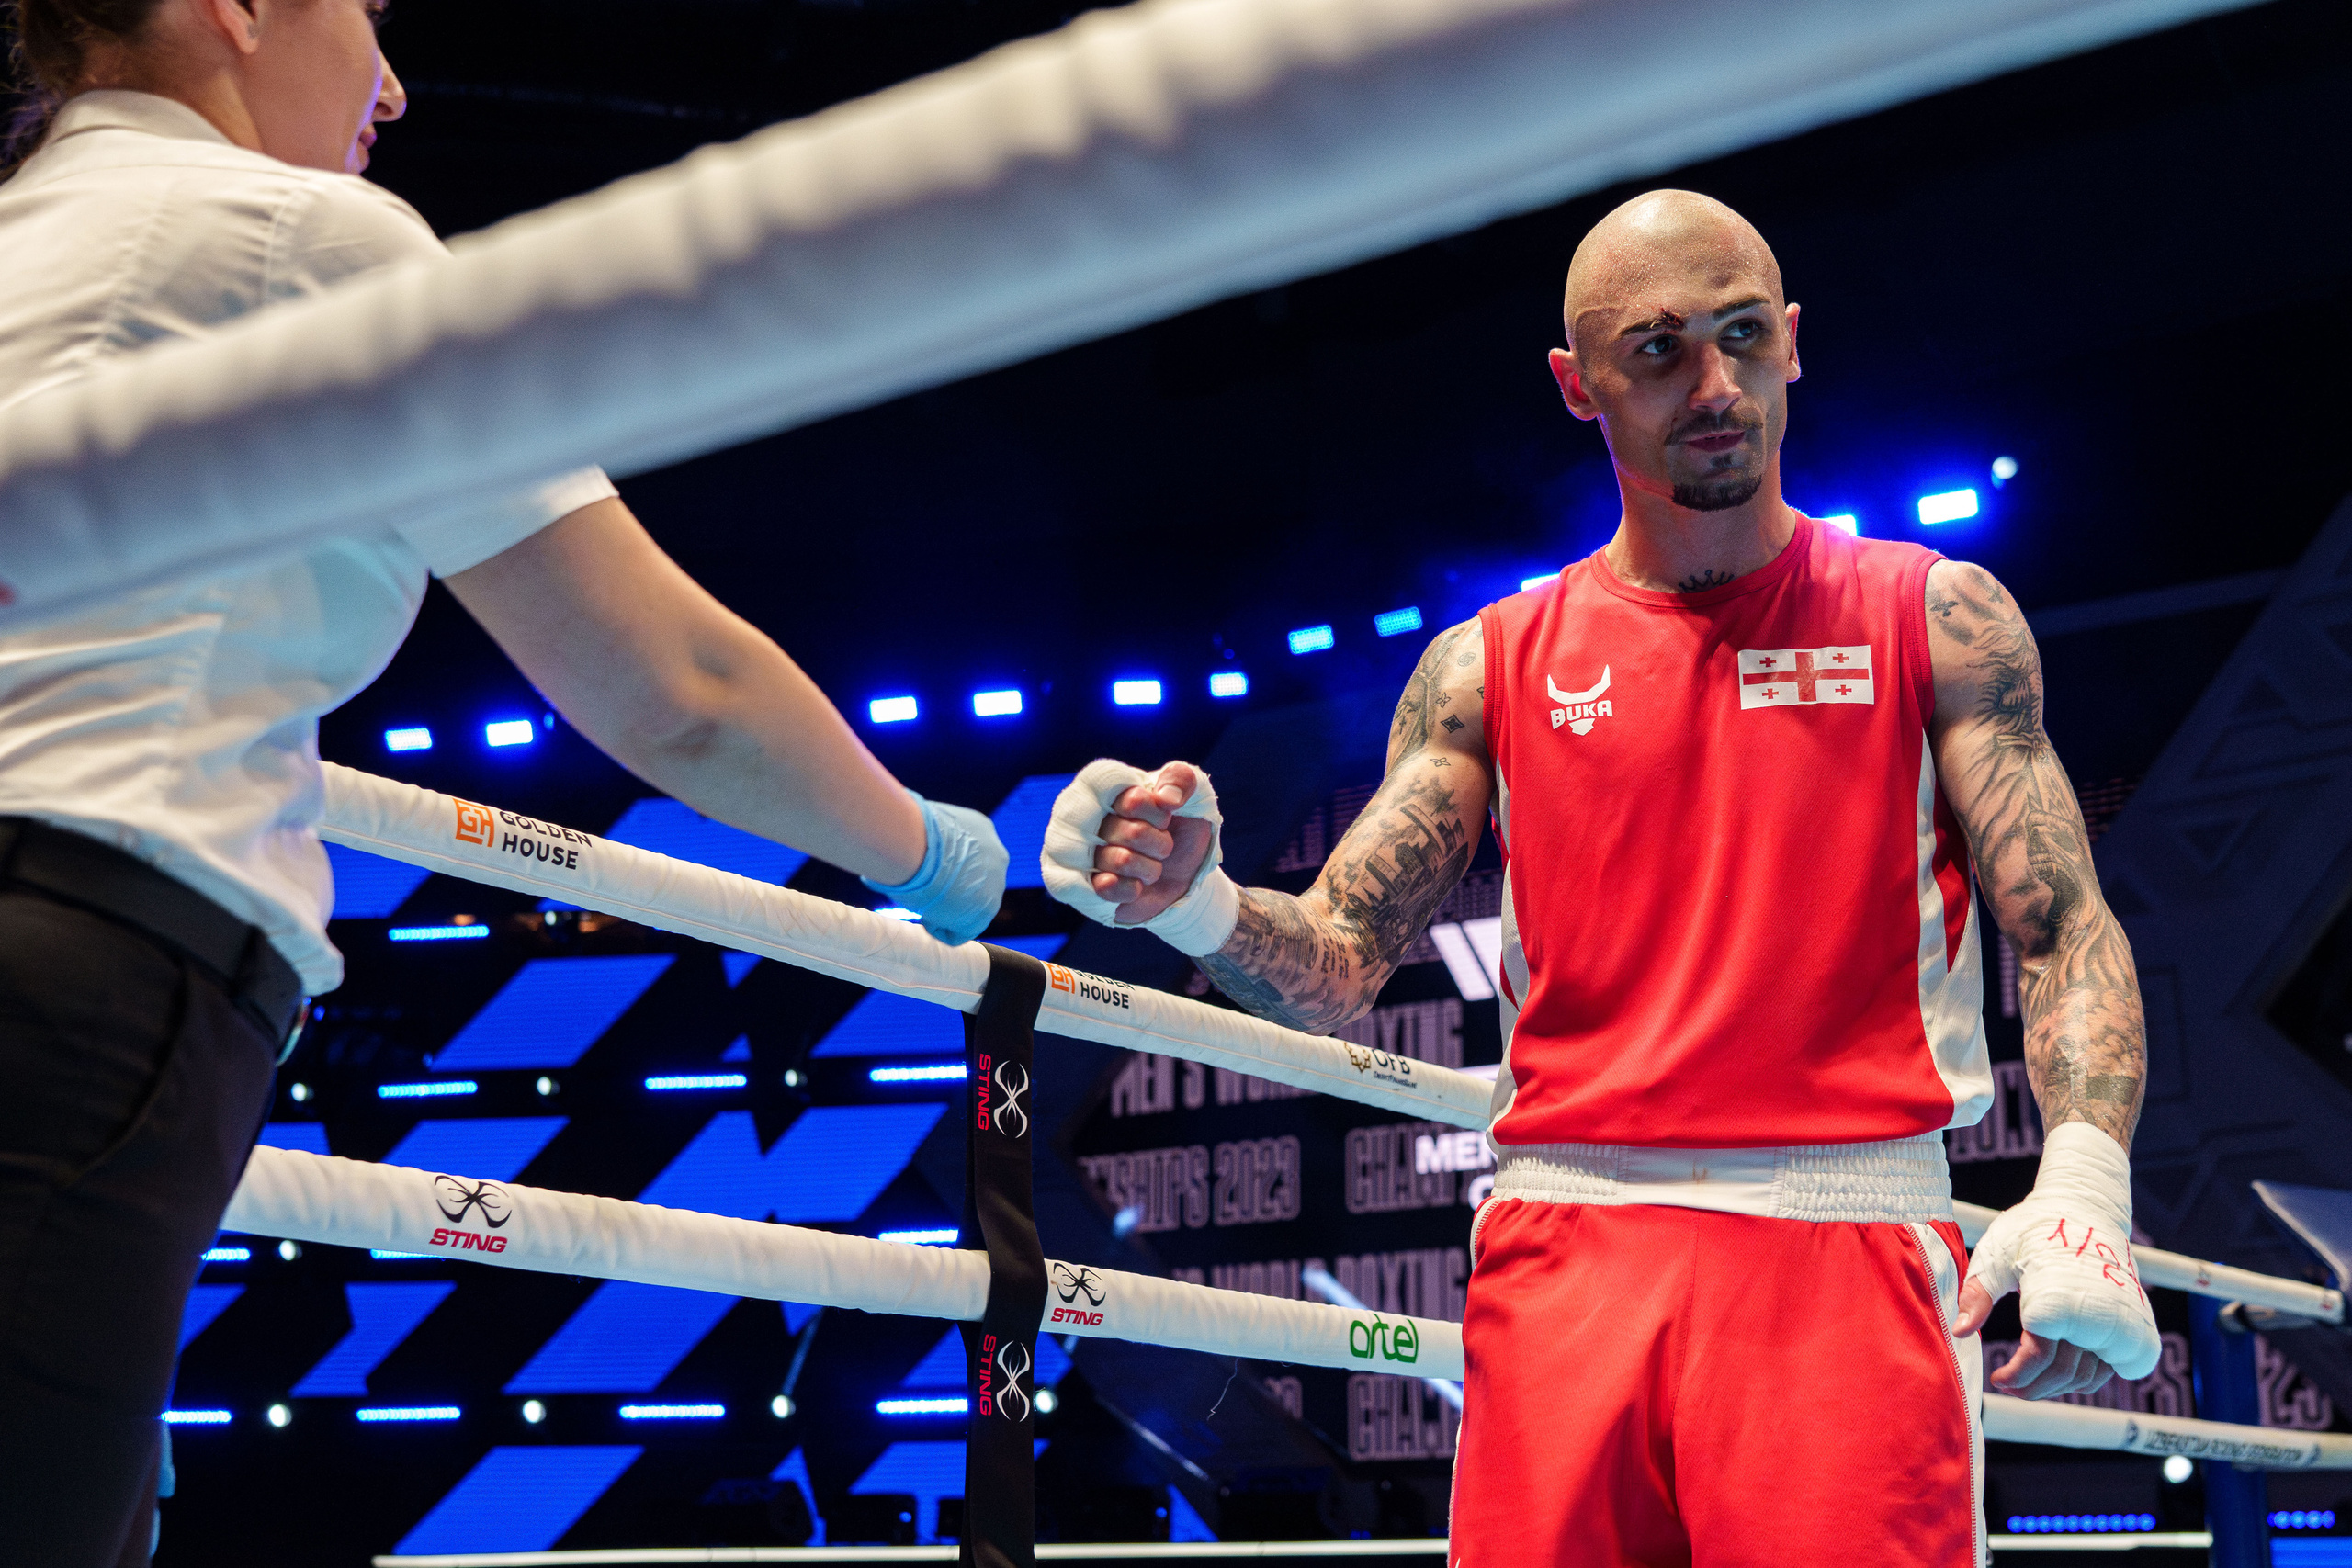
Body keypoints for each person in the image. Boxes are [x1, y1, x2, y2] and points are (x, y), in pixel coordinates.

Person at [0, 1, 1006, 1562]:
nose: (393, 89)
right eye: (367, 15)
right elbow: (681, 695)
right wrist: (945, 860)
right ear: (238, 8)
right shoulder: (298, 234)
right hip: (81, 974)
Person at [1040, 190, 2159, 1566]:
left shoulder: (1937, 618)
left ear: (1794, 343)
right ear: (1579, 386)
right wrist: (1192, 901)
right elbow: (1338, 959)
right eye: (1660, 350)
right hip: (1567, 1245)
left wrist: (2084, 1186)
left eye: (1744, 337)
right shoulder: (1489, 663)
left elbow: (2062, 929)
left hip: (1844, 1238)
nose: (1715, 385)